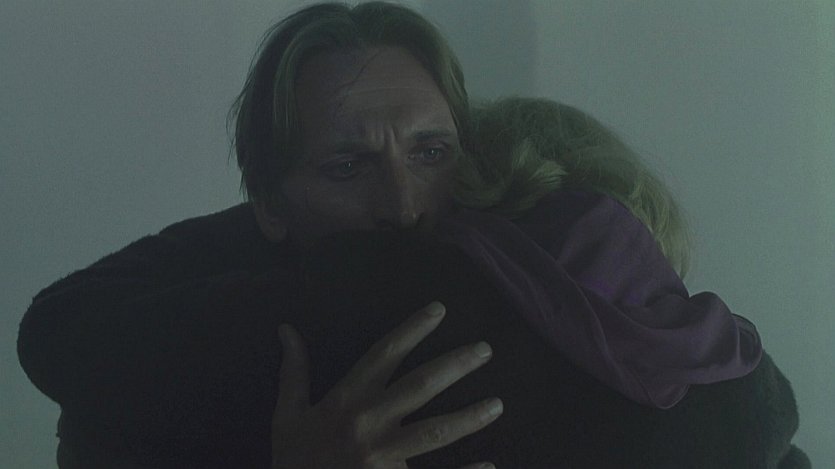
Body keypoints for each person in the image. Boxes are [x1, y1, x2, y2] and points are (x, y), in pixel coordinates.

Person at [16, 2, 808, 468]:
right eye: (346, 165)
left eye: (431, 152)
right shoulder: (168, 358)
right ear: (270, 204)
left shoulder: (523, 286)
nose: (402, 204)